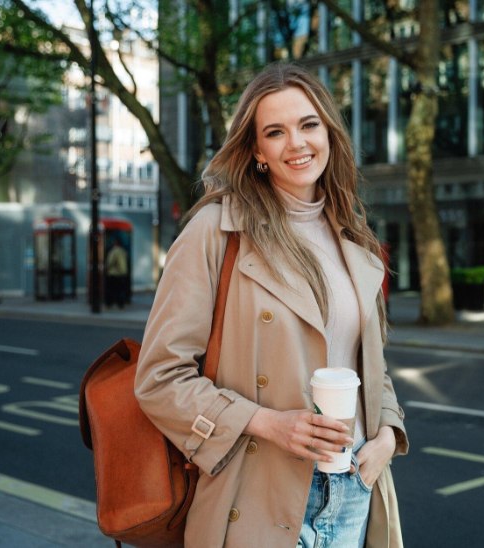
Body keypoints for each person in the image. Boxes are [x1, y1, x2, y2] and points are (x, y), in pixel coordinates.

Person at [135, 62, 408, 548]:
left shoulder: (353, 237)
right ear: (257, 150)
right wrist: (269, 423)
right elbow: (160, 377)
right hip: (258, 498)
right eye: (275, 132)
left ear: (329, 131)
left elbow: (369, 361)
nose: (297, 144)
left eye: (308, 125)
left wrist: (387, 432)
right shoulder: (216, 232)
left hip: (353, 491)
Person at [104, 238, 129, 308]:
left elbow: (110, 262)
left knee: (111, 290)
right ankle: (121, 303)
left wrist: (106, 268)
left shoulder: (113, 251)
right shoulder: (123, 251)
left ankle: (109, 303)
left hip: (114, 273)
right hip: (123, 273)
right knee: (120, 290)